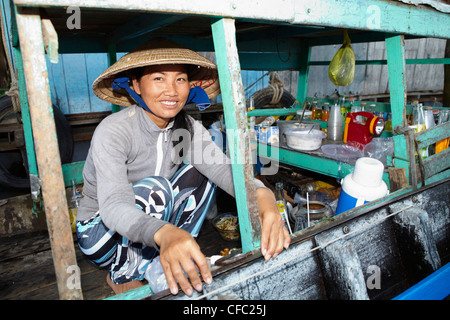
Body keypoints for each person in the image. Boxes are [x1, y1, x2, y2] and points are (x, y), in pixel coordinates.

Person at [76, 38, 290, 296]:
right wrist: (165, 233)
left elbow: (223, 170)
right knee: (158, 188)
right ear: (136, 85)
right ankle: (124, 273)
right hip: (102, 234)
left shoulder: (185, 127)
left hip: (153, 228)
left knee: (201, 173)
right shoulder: (114, 130)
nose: (172, 91)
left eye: (180, 79)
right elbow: (113, 206)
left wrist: (261, 194)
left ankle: (170, 254)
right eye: (158, 79)